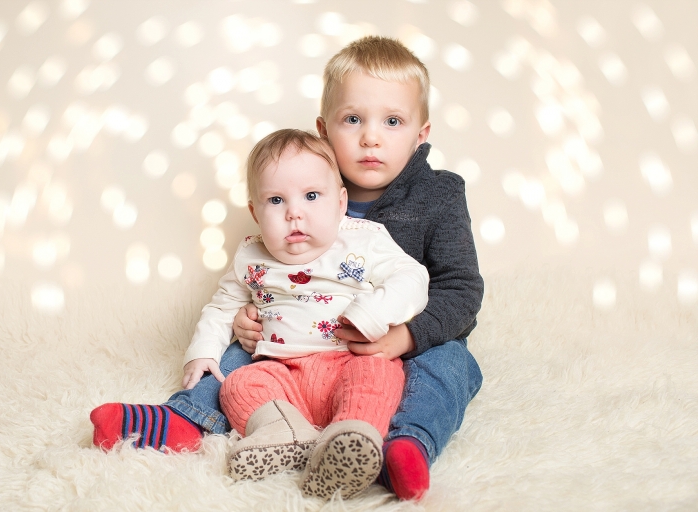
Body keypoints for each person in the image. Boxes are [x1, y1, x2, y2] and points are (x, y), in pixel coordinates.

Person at [91, 35, 484, 501]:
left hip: (401, 336)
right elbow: (247, 285)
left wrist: (405, 337)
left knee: (451, 364)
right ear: (323, 130)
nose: (370, 137)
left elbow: (459, 288)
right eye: (353, 119)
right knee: (240, 358)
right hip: (294, 335)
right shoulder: (298, 185)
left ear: (421, 134)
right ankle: (187, 418)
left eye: (393, 121)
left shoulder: (437, 195)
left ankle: (406, 443)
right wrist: (246, 320)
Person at [199, 129, 428, 498]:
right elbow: (223, 305)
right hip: (282, 372)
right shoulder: (252, 255)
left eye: (310, 196)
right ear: (255, 213)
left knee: (378, 372)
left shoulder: (362, 239)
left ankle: (351, 436)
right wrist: (204, 350)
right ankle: (286, 434)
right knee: (239, 384)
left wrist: (372, 314)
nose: (294, 213)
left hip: (346, 361)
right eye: (276, 200)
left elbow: (412, 277)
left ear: (340, 204)